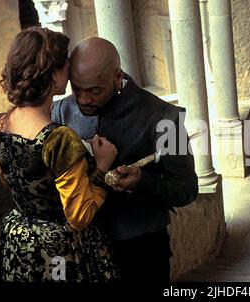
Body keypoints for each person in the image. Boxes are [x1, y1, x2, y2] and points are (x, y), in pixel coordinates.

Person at [51, 37, 199, 283]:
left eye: (95, 91)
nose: (84, 99)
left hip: (142, 253)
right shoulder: (60, 112)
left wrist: (142, 182)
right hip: (82, 251)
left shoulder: (166, 119)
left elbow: (188, 189)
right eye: (77, 89)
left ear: (117, 77)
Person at [0, 27, 119, 281]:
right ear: (52, 76)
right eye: (65, 65)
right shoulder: (58, 139)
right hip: (60, 250)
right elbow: (80, 216)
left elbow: (11, 181)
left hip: (19, 244)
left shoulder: (0, 125)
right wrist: (102, 168)